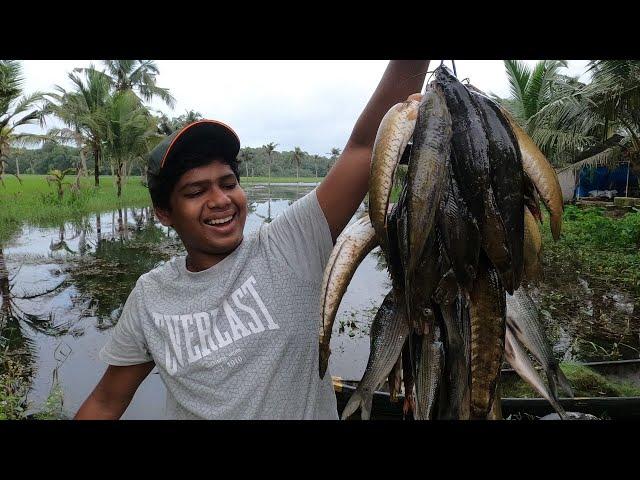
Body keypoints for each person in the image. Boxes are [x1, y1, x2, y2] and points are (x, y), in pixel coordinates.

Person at [74, 60, 429, 420]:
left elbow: (365, 147)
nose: (220, 200)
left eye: (228, 184)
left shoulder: (291, 244)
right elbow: (106, 401)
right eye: (196, 191)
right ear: (164, 213)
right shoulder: (151, 296)